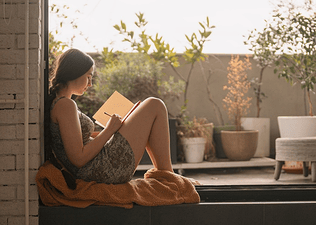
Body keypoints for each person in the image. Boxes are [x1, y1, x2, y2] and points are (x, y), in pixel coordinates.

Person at [44, 49, 174, 185]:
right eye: (88, 77)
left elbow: (77, 145)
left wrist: (109, 131)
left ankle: (167, 175)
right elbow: (79, 159)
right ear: (74, 72)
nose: (90, 84)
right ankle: (169, 177)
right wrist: (109, 130)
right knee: (154, 105)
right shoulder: (65, 105)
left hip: (97, 166)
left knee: (150, 109)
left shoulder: (61, 103)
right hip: (100, 169)